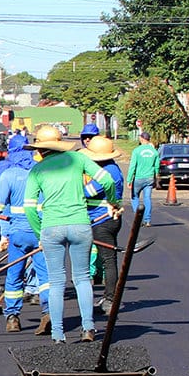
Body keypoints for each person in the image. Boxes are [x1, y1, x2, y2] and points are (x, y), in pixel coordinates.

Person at [23, 123, 108, 343]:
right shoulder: (78, 159)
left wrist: (39, 233)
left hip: (52, 228)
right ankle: (88, 327)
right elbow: (106, 179)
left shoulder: (37, 170)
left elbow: (30, 207)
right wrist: (115, 202)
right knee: (82, 278)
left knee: (56, 282)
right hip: (80, 225)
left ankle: (58, 333)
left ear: (40, 150)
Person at [0, 131, 39, 333]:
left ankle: (12, 316)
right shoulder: (41, 172)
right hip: (40, 233)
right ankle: (49, 314)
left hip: (17, 233)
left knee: (13, 274)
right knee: (47, 277)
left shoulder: (9, 175)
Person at [83, 134, 126, 316]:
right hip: (104, 220)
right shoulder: (111, 168)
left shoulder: (107, 173)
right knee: (106, 260)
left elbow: (87, 192)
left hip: (102, 221)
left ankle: (110, 299)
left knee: (108, 260)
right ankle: (108, 298)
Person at [127, 132, 161, 226]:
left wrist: (129, 179)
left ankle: (138, 218)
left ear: (142, 139)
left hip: (138, 178)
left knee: (135, 197)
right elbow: (157, 166)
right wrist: (156, 177)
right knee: (147, 198)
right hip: (149, 178)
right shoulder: (154, 151)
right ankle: (148, 220)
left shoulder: (137, 151)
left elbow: (132, 166)